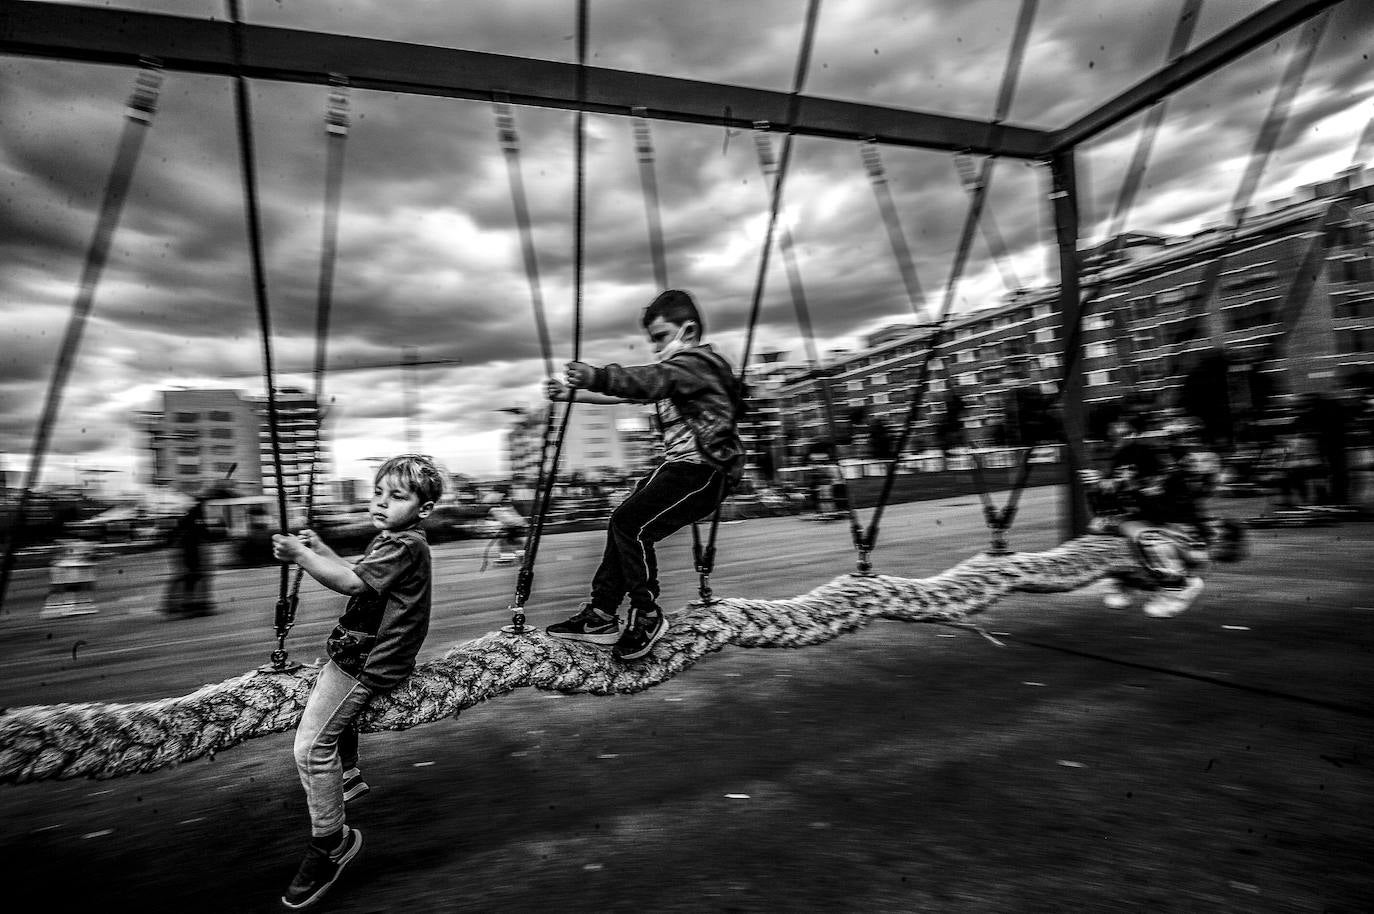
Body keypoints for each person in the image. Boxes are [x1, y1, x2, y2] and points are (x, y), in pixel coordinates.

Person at [270, 454, 444, 910]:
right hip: (356, 652)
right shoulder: (394, 541)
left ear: (423, 509)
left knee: (308, 748)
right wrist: (319, 547)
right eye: (378, 493)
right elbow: (357, 573)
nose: (381, 503)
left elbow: (350, 585)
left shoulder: (406, 545)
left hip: (368, 662)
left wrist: (301, 556)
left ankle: (332, 844)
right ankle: (345, 774)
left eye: (397, 496)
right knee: (323, 715)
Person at [543, 289, 744, 661]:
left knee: (630, 524)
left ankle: (647, 612)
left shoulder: (698, 363)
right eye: (652, 341)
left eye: (661, 338)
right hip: (681, 468)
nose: (656, 348)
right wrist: (570, 395)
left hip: (706, 470)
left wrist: (596, 375)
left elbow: (645, 380)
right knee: (622, 523)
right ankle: (602, 614)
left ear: (688, 331)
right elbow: (625, 397)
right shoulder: (675, 375)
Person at [1081, 410, 1209, 618]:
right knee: (1102, 526)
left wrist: (1132, 489)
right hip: (1157, 529)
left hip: (1185, 536)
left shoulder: (1159, 464)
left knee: (1144, 535)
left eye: (1122, 431)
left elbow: (1161, 511)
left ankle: (1180, 587)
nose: (1114, 434)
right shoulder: (1124, 458)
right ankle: (1126, 581)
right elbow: (1106, 509)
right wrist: (1096, 489)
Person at [164, 497, 212, 616]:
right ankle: (189, 604)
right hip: (187, 551)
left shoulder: (189, 518)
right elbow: (203, 534)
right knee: (190, 576)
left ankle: (182, 603)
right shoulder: (196, 518)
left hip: (185, 550)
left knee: (188, 577)